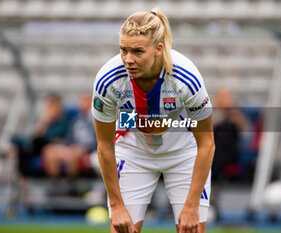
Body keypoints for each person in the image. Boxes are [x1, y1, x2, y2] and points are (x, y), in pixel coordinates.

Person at [92, 8, 215, 233]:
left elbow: (207, 143)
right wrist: (116, 205)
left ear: (158, 49)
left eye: (138, 51)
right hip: (134, 152)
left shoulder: (186, 78)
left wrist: (192, 205)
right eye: (123, 50)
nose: (128, 59)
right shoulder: (108, 80)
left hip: (182, 155)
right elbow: (104, 144)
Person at [42, 93, 97, 178]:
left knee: (73, 155)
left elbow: (98, 139)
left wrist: (85, 148)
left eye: (86, 101)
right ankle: (55, 184)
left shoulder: (95, 120)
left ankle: (71, 185)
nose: (82, 104)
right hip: (74, 146)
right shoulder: (76, 120)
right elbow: (70, 138)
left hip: (88, 149)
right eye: (81, 101)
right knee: (51, 153)